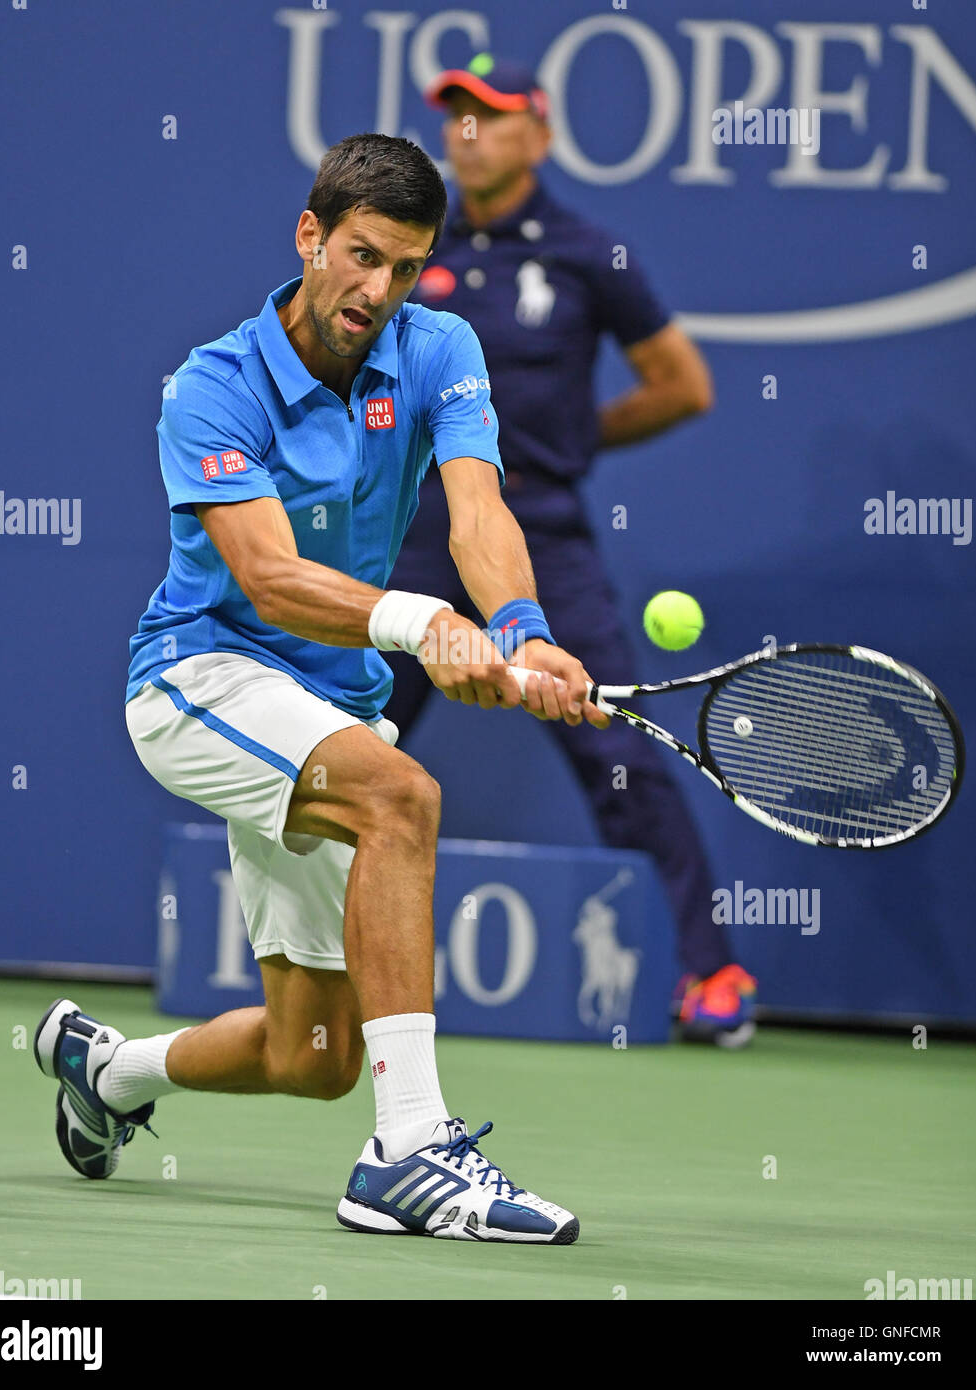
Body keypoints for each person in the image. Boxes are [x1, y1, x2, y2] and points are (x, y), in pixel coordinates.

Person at [33, 133, 610, 1245]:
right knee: (402, 796)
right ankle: (409, 1154)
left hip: (326, 703)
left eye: (404, 267)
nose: (376, 289)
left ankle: (105, 1069)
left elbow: (477, 509)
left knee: (312, 1055)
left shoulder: (437, 347)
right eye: (359, 255)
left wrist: (522, 631)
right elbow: (265, 574)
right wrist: (422, 623)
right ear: (310, 235)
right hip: (200, 676)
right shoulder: (211, 384)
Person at [384, 55, 757, 1047]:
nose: (469, 133)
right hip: (411, 534)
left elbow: (682, 383)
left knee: (619, 757)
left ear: (537, 137)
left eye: (492, 117)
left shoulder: (594, 255)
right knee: (349, 739)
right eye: (456, 117)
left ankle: (710, 973)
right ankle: (293, 956)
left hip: (541, 533)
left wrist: (574, 442)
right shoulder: (409, 252)